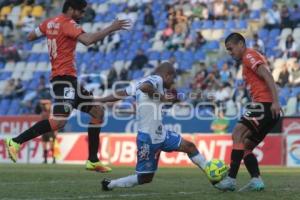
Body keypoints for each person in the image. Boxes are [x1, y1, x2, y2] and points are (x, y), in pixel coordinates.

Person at [5, 0, 130, 173]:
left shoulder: (49, 22)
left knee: (97, 111)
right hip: (62, 79)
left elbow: (30, 36)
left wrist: (50, 34)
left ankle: (93, 160)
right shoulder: (68, 23)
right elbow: (88, 40)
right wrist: (111, 27)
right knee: (59, 121)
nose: (82, 15)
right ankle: (16, 141)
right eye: (80, 11)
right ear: (71, 9)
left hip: (71, 80)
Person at [97, 62, 209, 191]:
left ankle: (213, 176)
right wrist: (162, 97)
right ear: (167, 75)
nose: (172, 82)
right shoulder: (157, 79)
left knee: (190, 146)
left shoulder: (139, 82)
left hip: (161, 134)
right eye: (173, 79)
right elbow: (146, 87)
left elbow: (120, 93)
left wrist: (100, 100)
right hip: (148, 138)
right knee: (145, 178)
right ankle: (111, 184)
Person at [215, 33, 282, 191]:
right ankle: (256, 180)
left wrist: (276, 101)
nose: (230, 53)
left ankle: (231, 179)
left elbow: (267, 75)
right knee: (245, 146)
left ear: (240, 44)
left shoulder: (249, 55)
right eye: (228, 50)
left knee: (237, 134)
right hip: (267, 107)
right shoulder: (249, 57)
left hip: (264, 105)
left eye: (231, 49)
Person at [35, 99, 57, 164]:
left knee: (51, 146)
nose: (45, 106)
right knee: (44, 146)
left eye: (46, 105)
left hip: (50, 131)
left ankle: (53, 159)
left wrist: (56, 131)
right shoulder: (42, 112)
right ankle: (45, 159)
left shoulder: (51, 112)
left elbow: (55, 122)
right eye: (44, 105)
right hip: (44, 131)